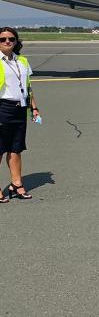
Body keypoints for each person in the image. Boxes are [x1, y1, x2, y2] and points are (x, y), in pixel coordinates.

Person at [0, 27, 40, 203]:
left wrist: (34, 108)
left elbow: (28, 86)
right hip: (2, 108)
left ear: (16, 41)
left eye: (11, 39)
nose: (7, 42)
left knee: (16, 149)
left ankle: (16, 184)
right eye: (2, 39)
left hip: (20, 108)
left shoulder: (22, 60)